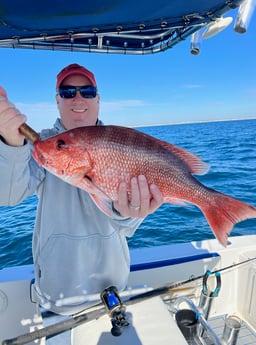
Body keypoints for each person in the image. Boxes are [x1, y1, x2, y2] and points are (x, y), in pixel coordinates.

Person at [0, 63, 163, 337]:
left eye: (87, 91)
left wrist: (130, 212)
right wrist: (10, 141)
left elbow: (127, 227)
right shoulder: (45, 146)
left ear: (98, 99)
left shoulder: (119, 143)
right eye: (68, 91)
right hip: (59, 294)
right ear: (57, 99)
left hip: (115, 288)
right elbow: (8, 195)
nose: (78, 98)